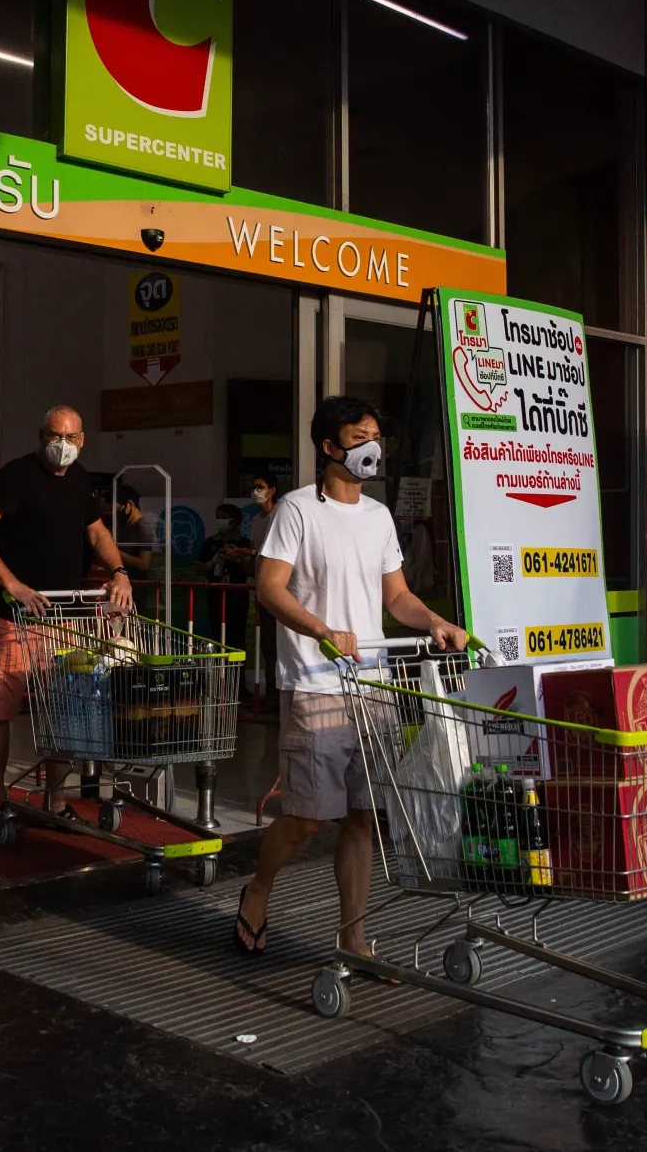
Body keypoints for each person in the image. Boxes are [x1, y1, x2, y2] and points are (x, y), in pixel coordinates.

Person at [232, 396, 467, 957]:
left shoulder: (379, 516)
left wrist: (435, 621)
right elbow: (269, 587)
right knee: (309, 818)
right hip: (313, 683)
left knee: (362, 818)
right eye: (359, 437)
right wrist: (320, 629)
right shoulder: (295, 510)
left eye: (375, 437)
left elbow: (398, 596)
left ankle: (354, 940)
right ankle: (257, 889)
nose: (371, 448)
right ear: (329, 446)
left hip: (372, 689)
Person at [0, 405, 135, 822]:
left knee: (65, 707)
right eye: (55, 436)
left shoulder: (79, 479)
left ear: (82, 440)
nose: (63, 445)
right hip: (9, 619)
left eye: (71, 438)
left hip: (63, 617)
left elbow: (97, 531)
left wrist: (120, 572)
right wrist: (11, 583)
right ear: (41, 436)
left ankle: (56, 800)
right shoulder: (17, 476)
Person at [198, 503, 255, 650]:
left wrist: (239, 558)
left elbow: (251, 571)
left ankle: (237, 671)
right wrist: (213, 562)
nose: (219, 521)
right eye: (217, 517)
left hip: (237, 598)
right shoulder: (210, 542)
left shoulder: (245, 544)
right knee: (218, 638)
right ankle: (219, 672)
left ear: (234, 521)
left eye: (223, 518)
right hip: (215, 597)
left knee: (237, 640)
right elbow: (198, 569)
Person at [248, 475, 282, 710]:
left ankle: (278, 696)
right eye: (254, 487)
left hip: (280, 588)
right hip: (263, 588)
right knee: (268, 645)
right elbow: (256, 552)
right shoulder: (256, 520)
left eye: (260, 487)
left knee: (278, 646)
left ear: (272, 490)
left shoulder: (280, 515)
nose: (256, 491)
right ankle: (272, 694)